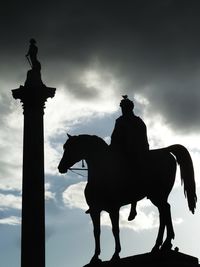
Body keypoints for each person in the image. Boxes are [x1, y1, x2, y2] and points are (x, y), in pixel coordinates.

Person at [110, 95, 149, 220]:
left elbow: (142, 138)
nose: (122, 110)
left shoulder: (136, 121)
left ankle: (133, 207)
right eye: (122, 107)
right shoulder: (120, 120)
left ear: (129, 108)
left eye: (124, 107)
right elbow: (114, 137)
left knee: (132, 173)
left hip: (135, 152)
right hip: (122, 151)